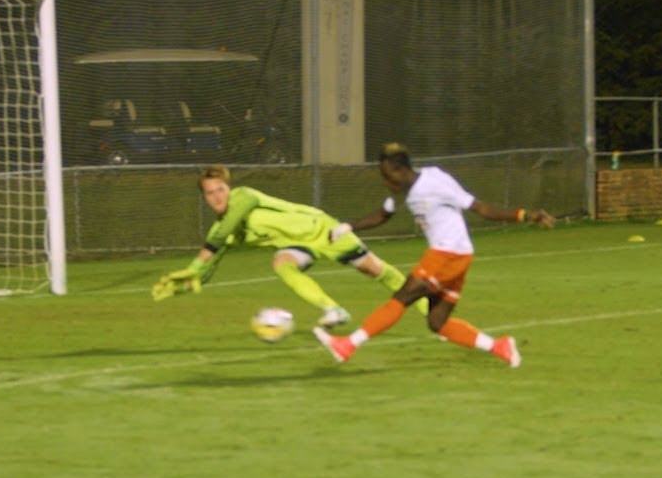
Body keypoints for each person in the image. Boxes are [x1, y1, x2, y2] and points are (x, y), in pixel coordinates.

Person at [312, 143, 555, 368]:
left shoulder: (435, 181)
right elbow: (383, 215)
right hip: (455, 255)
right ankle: (500, 347)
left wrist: (525, 215)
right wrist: (348, 227)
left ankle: (348, 345)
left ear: (401, 170)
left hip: (448, 253)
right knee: (437, 323)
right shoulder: (402, 190)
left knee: (403, 296)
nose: (386, 182)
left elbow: (481, 208)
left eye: (388, 176)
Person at [151, 163, 428, 327]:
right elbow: (209, 266)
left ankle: (430, 310)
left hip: (322, 230)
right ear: (205, 198)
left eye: (220, 189)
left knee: (377, 271)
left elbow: (223, 231)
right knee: (281, 264)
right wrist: (186, 282)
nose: (216, 196)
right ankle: (333, 309)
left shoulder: (243, 197)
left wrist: (197, 262)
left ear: (228, 188)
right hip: (297, 246)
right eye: (209, 193)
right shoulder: (220, 231)